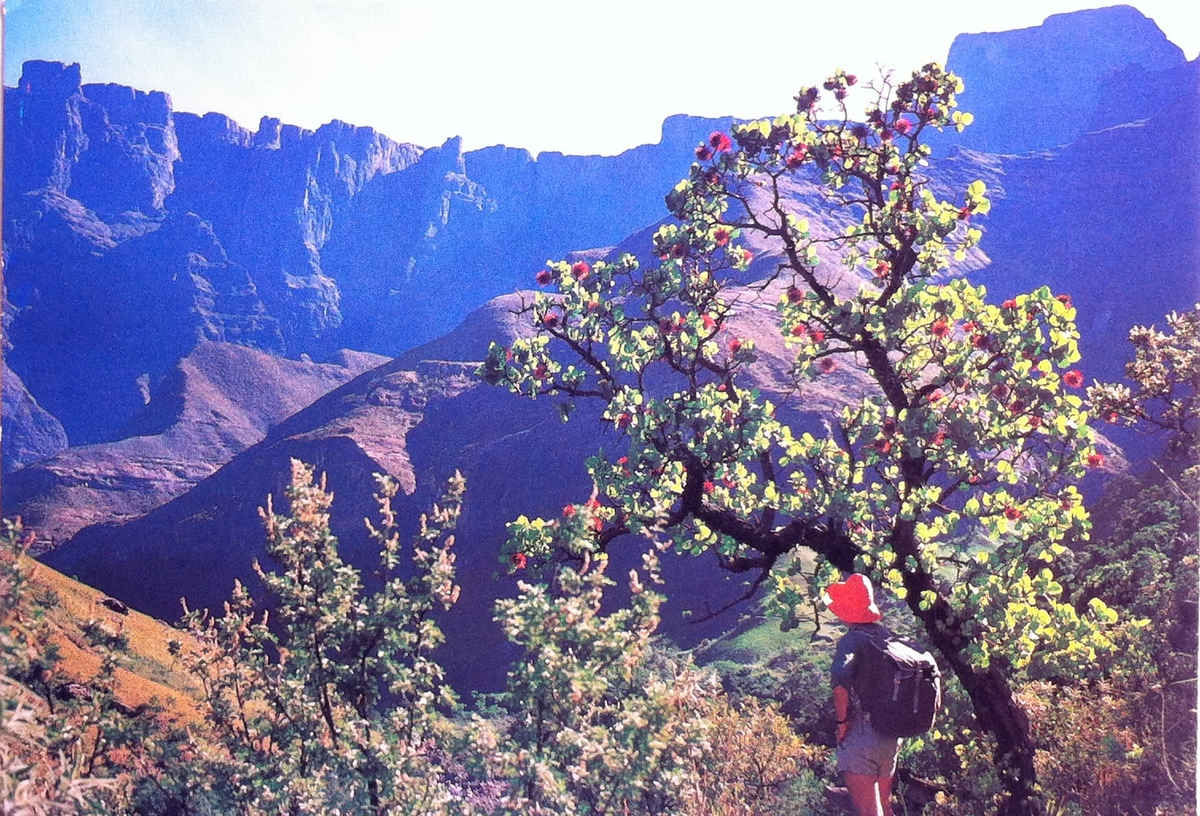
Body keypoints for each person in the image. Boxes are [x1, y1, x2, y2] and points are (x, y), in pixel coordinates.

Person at [825, 572, 899, 816]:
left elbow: (840, 681)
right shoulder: (888, 637)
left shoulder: (851, 641)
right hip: (891, 734)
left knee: (870, 812)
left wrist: (842, 724)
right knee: (885, 807)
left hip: (863, 735)